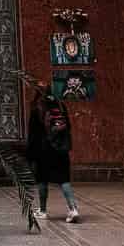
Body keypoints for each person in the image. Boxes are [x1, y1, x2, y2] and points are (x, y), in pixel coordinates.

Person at [26, 85, 79, 223]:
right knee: (64, 180)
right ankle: (73, 209)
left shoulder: (36, 108)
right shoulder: (60, 105)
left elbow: (33, 134)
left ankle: (43, 211)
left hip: (43, 150)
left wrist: (30, 155)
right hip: (60, 150)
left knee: (42, 180)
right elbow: (68, 127)